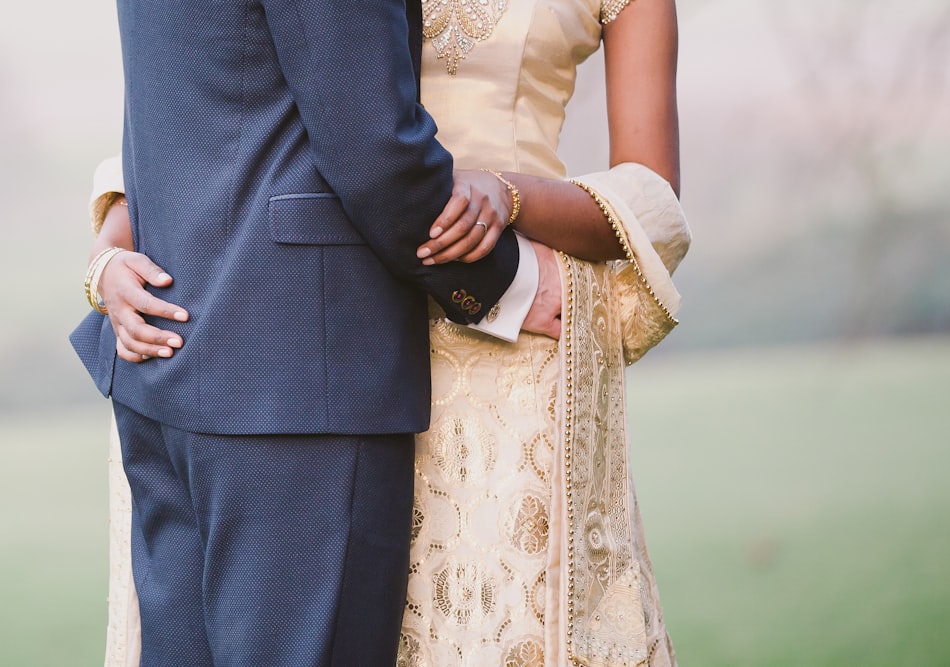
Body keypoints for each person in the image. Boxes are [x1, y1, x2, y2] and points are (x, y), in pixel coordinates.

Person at [84, 0, 692, 664]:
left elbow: (651, 190)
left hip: (498, 391)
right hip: (319, 358)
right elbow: (239, 88)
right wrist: (111, 245)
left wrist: (512, 197)